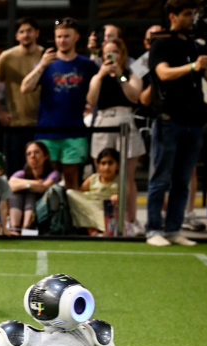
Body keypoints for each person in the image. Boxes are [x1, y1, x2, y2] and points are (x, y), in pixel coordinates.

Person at [146, 0, 207, 247]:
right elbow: (163, 73)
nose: (191, 18)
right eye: (187, 14)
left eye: (193, 14)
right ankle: (153, 229)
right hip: (168, 120)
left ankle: (173, 229)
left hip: (193, 122)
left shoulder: (194, 44)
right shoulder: (161, 44)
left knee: (182, 180)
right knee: (161, 178)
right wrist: (191, 66)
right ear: (173, 16)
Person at [20, 17, 99, 190]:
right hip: (48, 129)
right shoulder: (46, 63)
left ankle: (71, 216)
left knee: (72, 177)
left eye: (67, 36)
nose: (62, 41)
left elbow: (98, 91)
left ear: (76, 37)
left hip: (74, 130)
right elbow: (25, 88)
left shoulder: (87, 65)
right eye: (59, 37)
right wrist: (41, 65)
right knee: (48, 178)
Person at [87, 38, 143, 229]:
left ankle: (130, 219)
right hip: (103, 121)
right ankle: (99, 220)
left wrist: (119, 75)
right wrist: (101, 75)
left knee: (127, 176)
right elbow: (91, 98)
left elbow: (134, 96)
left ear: (122, 54)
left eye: (115, 52)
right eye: (107, 52)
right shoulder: (97, 74)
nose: (111, 56)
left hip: (125, 120)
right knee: (101, 174)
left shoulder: (131, 73)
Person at [0, 18, 43, 176]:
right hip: (15, 124)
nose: (26, 35)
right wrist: (0, 112)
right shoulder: (6, 57)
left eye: (29, 31)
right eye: (22, 32)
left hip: (43, 124)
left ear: (37, 33)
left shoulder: (46, 55)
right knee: (14, 171)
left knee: (41, 172)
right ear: (16, 36)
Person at [7, 140, 60, 234]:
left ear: (45, 156)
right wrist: (30, 184)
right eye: (29, 154)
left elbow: (43, 187)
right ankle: (14, 227)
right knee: (16, 193)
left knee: (30, 193)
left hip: (42, 210)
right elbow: (9, 185)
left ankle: (27, 226)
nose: (33, 156)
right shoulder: (21, 173)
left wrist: (27, 185)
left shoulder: (53, 174)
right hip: (21, 206)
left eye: (37, 152)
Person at [68, 147, 121, 233]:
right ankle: (92, 229)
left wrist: (118, 198)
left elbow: (128, 202)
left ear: (117, 165)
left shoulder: (121, 181)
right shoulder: (92, 179)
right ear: (98, 166)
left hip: (107, 213)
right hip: (90, 210)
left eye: (110, 163)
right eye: (103, 163)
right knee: (70, 193)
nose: (107, 167)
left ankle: (97, 229)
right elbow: (81, 197)